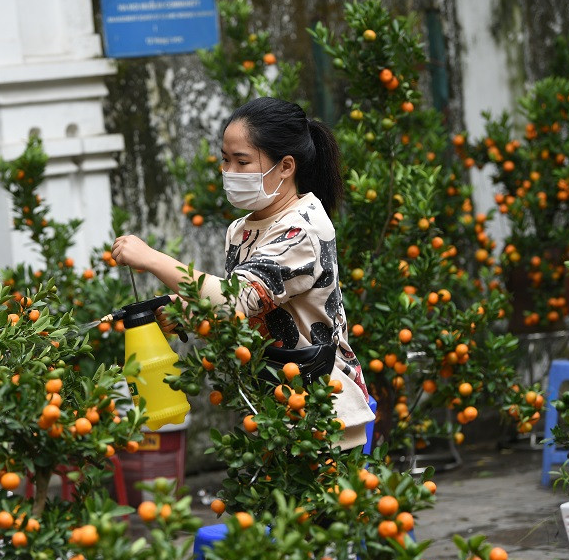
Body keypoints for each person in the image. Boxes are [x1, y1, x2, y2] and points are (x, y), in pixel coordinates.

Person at [112, 97, 374, 450]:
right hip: (268, 408)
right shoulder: (242, 229)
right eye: (225, 159)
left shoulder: (302, 229)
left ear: (285, 167)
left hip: (323, 409)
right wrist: (190, 310)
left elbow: (234, 299)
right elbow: (246, 310)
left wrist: (152, 258)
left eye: (242, 161)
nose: (229, 171)